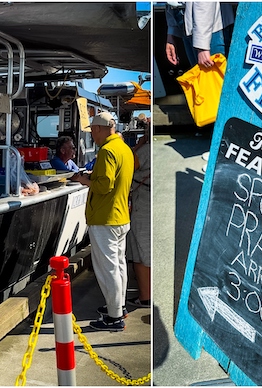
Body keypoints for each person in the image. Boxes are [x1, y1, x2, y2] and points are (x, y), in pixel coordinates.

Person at [72, 112, 134, 331]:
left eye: (93, 131)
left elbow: (104, 185)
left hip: (105, 218)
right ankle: (119, 306)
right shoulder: (124, 148)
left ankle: (114, 316)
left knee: (107, 268)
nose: (92, 135)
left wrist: (83, 179)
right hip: (120, 216)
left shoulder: (107, 151)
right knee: (118, 265)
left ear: (99, 129)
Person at [166, 2, 236, 68]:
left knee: (213, 78)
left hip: (208, 27)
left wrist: (202, 45)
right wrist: (172, 30)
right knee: (201, 78)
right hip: (184, 20)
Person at [126, 129, 151, 308]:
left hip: (142, 204)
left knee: (141, 252)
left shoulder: (146, 150)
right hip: (145, 202)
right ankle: (145, 296)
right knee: (141, 252)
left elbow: (127, 164)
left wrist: (139, 145)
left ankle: (146, 296)